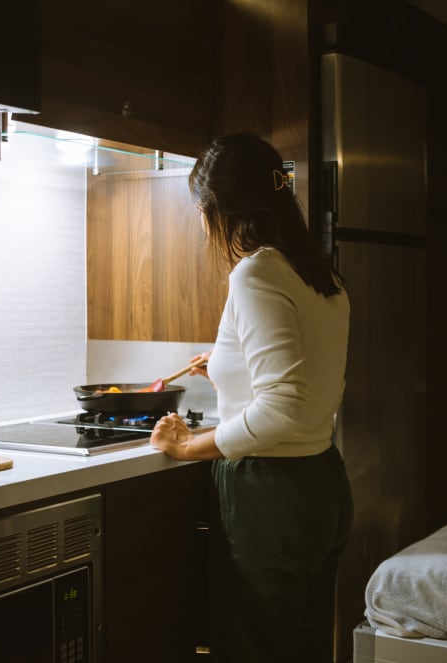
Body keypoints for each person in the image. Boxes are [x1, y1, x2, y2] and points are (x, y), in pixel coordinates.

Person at [150, 132, 353, 663]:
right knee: (303, 649)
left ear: (218, 208)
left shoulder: (256, 271)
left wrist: (189, 445)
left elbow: (280, 409)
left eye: (200, 210)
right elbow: (309, 389)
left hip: (270, 495)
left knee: (253, 651)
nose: (200, 224)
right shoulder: (319, 275)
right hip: (321, 484)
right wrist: (224, 369)